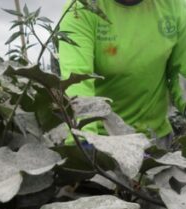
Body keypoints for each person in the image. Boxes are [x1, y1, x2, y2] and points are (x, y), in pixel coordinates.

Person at [59, 0, 186, 148]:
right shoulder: (79, 9)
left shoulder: (175, 5)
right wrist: (84, 140)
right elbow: (77, 81)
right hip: (103, 140)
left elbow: (181, 74)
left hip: (155, 139)